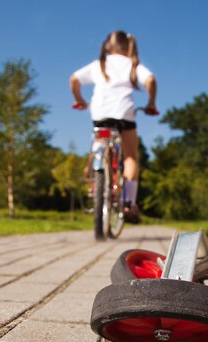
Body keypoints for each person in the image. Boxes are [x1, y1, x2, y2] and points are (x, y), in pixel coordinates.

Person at [70, 30, 158, 223]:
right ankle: (128, 202)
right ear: (128, 46)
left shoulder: (99, 64)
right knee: (131, 156)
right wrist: (151, 103)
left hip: (100, 114)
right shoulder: (132, 64)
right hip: (124, 114)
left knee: (100, 140)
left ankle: (96, 174)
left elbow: (74, 79)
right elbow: (150, 80)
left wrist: (79, 100)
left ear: (108, 46)